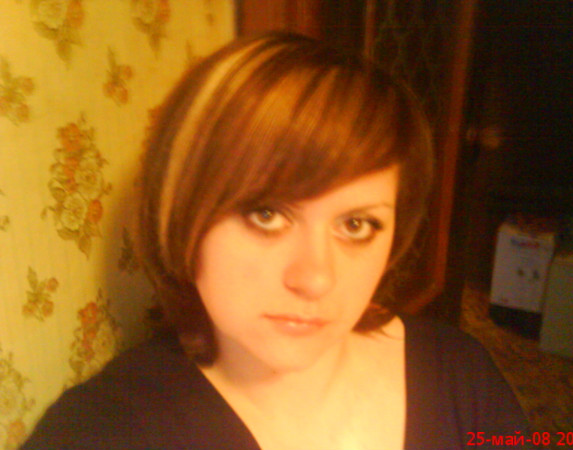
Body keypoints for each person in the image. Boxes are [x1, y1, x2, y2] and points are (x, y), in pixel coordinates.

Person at [21, 32, 528, 450]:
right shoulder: (104, 432)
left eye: (356, 225)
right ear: (181, 210)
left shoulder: (458, 372)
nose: (315, 278)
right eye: (266, 215)